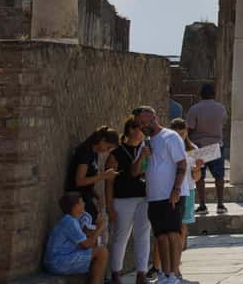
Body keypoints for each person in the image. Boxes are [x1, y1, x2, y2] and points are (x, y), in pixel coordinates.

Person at [135, 106, 188, 284]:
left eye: (144, 122)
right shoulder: (146, 143)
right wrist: (142, 157)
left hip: (171, 194)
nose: (142, 126)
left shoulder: (170, 137)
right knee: (161, 236)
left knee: (173, 234)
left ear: (154, 118)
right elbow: (137, 172)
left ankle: (174, 274)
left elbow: (182, 164)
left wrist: (176, 189)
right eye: (139, 124)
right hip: (154, 196)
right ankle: (165, 274)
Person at [105, 116, 151, 284]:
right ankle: (116, 273)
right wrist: (109, 206)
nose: (143, 132)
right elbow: (109, 183)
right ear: (131, 130)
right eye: (140, 128)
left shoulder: (144, 149)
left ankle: (142, 273)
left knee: (143, 235)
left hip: (143, 197)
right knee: (121, 235)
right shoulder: (115, 154)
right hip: (122, 198)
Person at [45, 192, 109, 281]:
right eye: (81, 202)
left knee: (99, 251)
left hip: (57, 261)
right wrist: (100, 227)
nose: (84, 204)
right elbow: (86, 245)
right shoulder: (70, 222)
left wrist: (94, 231)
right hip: (57, 262)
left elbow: (85, 241)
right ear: (75, 207)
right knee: (102, 252)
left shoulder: (71, 220)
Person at [186, 83, 228, 215]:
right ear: (214, 94)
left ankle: (202, 205)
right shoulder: (221, 108)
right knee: (219, 176)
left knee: (199, 177)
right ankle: (220, 205)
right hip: (216, 146)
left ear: (201, 94)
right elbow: (223, 123)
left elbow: (190, 128)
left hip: (199, 146)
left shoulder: (194, 109)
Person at [67, 126, 121, 225]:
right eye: (108, 147)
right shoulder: (85, 152)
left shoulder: (94, 153)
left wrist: (96, 195)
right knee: (93, 227)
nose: (107, 151)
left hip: (86, 197)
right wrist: (104, 176)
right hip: (77, 199)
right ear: (102, 140)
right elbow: (79, 181)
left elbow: (88, 179)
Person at [170, 118, 204, 255]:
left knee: (183, 225)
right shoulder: (168, 148)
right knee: (171, 225)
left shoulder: (193, 149)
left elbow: (196, 178)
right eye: (177, 134)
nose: (180, 137)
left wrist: (197, 168)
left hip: (188, 189)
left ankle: (178, 255)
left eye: (182, 134)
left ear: (187, 132)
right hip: (170, 189)